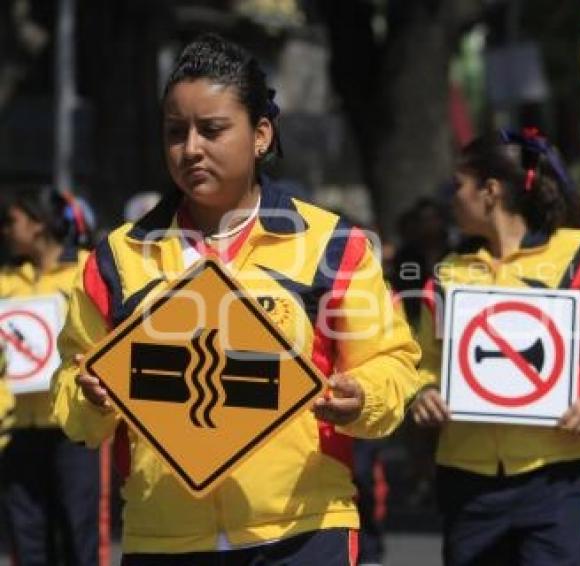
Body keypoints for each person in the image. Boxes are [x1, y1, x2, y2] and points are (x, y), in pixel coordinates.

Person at [50, 33, 421, 564]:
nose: (191, 148)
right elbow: (72, 384)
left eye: (213, 130)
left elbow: (392, 364)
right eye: (176, 132)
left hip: (303, 532)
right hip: (164, 538)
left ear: (261, 134)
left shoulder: (334, 247)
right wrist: (88, 396)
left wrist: (362, 398)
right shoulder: (115, 260)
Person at [411, 129, 580, 566]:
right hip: (468, 479)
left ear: (490, 191)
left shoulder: (579, 256)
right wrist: (423, 392)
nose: (452, 199)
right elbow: (421, 360)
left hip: (558, 476)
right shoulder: (449, 273)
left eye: (459, 186)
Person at [0, 187, 107, 566]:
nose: (6, 230)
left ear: (39, 223)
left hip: (73, 428)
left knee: (79, 532)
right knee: (26, 536)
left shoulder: (86, 269)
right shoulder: (6, 280)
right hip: (17, 430)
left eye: (12, 221)